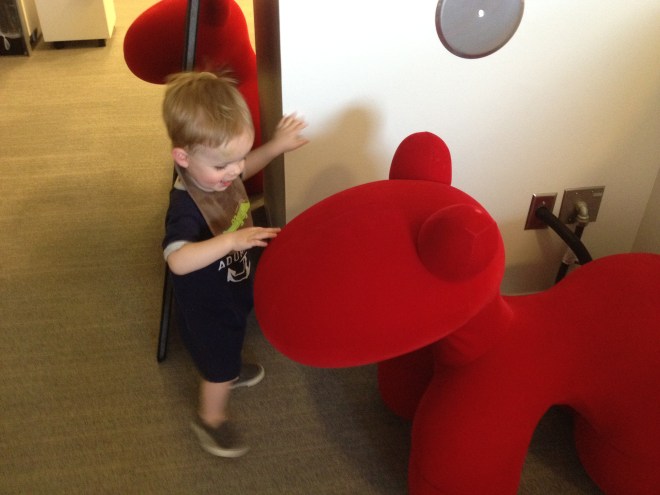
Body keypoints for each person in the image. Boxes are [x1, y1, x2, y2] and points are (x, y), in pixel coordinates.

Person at [161, 71, 308, 458]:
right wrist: (230, 241)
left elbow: (244, 168)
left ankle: (230, 368)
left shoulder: (214, 174)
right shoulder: (186, 206)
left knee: (233, 333)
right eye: (223, 165)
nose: (234, 171)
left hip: (229, 287)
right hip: (206, 306)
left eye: (238, 158)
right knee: (217, 363)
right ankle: (210, 418)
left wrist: (275, 146)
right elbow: (177, 261)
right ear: (183, 158)